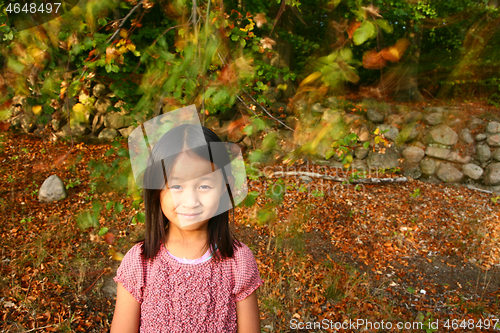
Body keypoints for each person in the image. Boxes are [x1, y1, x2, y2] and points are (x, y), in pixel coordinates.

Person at [110, 113, 262, 332]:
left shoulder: (238, 262)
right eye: (176, 186)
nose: (190, 201)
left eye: (204, 186)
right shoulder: (139, 262)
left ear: (224, 187)